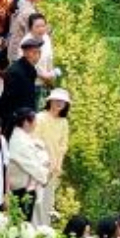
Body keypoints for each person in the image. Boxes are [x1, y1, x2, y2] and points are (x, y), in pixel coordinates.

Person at [5, 108, 52, 223]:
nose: (36, 124)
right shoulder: (19, 141)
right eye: (34, 121)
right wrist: (44, 176)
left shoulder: (24, 138)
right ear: (26, 122)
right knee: (21, 222)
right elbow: (31, 165)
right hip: (21, 188)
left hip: (26, 185)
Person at [34, 89, 71, 227]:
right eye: (56, 100)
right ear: (50, 101)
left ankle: (45, 227)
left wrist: (58, 164)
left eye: (62, 102)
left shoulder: (63, 122)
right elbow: (36, 141)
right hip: (40, 165)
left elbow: (63, 145)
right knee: (38, 198)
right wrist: (45, 162)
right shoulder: (40, 118)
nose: (59, 104)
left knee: (49, 200)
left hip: (55, 168)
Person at [0, 38, 43, 127]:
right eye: (34, 52)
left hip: (26, 115)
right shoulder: (15, 72)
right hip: (15, 118)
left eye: (39, 52)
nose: (37, 56)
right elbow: (9, 99)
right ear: (25, 53)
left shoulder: (31, 68)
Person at [4, 0, 45, 64]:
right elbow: (34, 38)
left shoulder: (21, 5)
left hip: (16, 54)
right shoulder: (28, 12)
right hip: (21, 57)